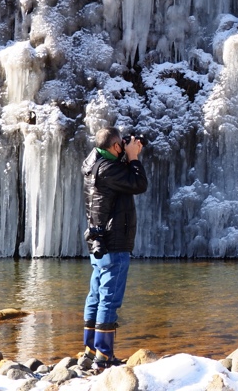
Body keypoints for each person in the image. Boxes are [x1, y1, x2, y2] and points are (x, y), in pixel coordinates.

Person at [80, 126, 148, 368]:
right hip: (114, 242)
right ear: (115, 147)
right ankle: (104, 356)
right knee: (109, 299)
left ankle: (90, 351)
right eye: (121, 144)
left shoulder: (95, 162)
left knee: (96, 295)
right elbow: (139, 184)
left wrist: (125, 151)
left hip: (99, 241)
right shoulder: (109, 170)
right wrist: (133, 158)